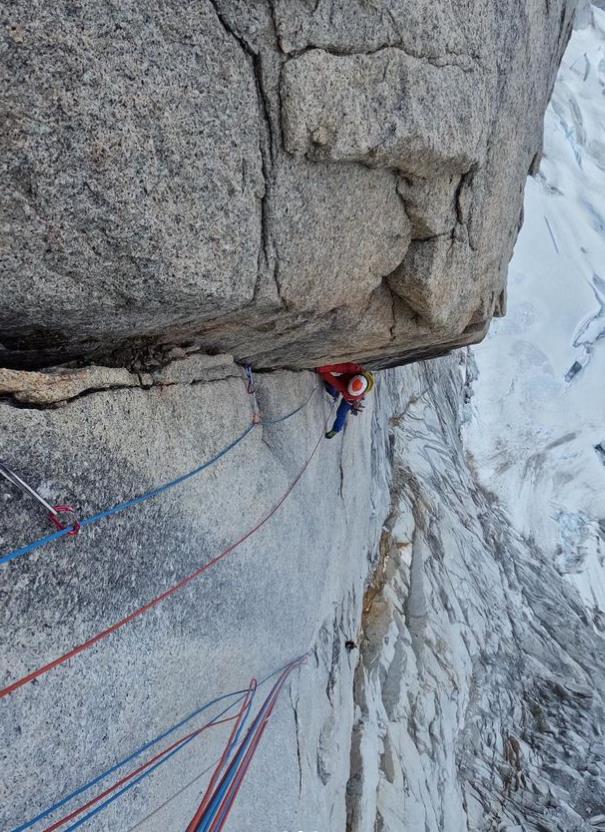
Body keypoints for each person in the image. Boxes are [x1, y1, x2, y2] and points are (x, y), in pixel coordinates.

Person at [316, 363, 375, 439]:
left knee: (341, 413)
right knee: (329, 384)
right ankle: (335, 393)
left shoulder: (351, 394)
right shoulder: (352, 368)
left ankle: (335, 429)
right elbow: (336, 368)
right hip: (344, 380)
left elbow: (334, 381)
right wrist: (321, 369)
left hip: (350, 398)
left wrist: (321, 371)